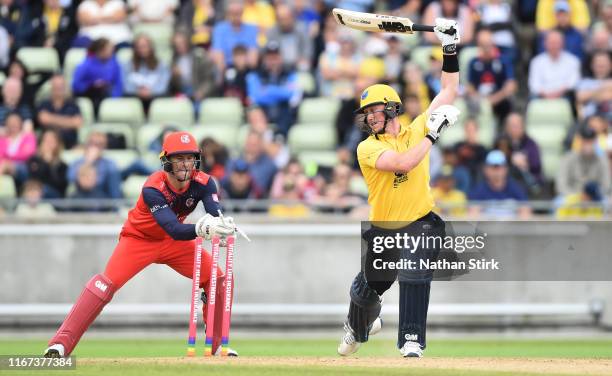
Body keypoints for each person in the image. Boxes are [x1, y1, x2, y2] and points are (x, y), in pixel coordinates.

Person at [44, 131, 240, 358]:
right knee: (104, 285)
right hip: (139, 239)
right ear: (167, 161)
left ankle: (216, 346)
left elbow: (214, 213)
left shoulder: (205, 183)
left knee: (219, 278)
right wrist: (200, 229)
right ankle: (60, 345)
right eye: (179, 158)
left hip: (173, 243)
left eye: (189, 157)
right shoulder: (153, 188)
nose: (185, 164)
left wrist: (222, 226)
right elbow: (174, 229)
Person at [337, 18, 461, 358]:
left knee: (415, 271)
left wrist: (450, 48)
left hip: (421, 220)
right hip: (385, 228)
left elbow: (449, 91)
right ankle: (357, 325)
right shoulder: (368, 148)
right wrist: (433, 135)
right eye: (366, 114)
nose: (369, 118)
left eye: (374, 111)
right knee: (365, 292)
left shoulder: (416, 127)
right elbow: (404, 163)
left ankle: (411, 340)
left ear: (391, 107)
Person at [72, 38, 123, 116]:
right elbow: (76, 85)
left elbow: (118, 83)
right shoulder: (86, 65)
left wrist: (114, 99)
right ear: (100, 50)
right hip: (90, 96)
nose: (111, 52)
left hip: (107, 96)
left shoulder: (114, 64)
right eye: (109, 50)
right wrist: (91, 84)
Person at [37, 74, 83, 149]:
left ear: (65, 87)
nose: (58, 88)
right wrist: (68, 122)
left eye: (61, 86)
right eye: (56, 86)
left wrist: (51, 119)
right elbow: (43, 119)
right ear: (51, 87)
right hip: (47, 145)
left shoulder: (73, 104)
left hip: (70, 145)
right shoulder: (44, 104)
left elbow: (77, 123)